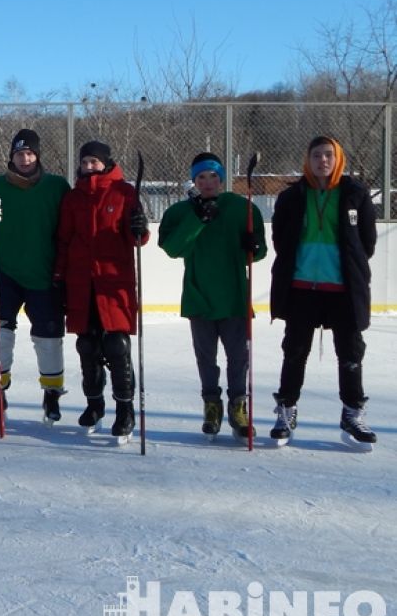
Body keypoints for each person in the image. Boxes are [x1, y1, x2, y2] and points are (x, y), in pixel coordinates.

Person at [269, 135, 378, 448]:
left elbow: (366, 242)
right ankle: (286, 409)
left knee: (350, 352)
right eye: (317, 155)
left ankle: (352, 413)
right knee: (295, 350)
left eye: (329, 155)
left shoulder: (355, 193)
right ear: (308, 159)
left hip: (342, 289)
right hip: (302, 287)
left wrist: (346, 267)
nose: (323, 161)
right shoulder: (292, 196)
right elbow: (281, 239)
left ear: (338, 158)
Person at [158, 152, 267, 441]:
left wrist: (252, 245)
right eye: (201, 177)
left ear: (222, 179)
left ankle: (238, 406)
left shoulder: (241, 208)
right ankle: (212, 405)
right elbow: (173, 248)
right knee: (206, 357)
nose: (208, 183)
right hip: (199, 296)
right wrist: (198, 219)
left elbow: (257, 253)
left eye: (214, 176)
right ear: (194, 180)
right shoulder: (181, 212)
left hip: (234, 297)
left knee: (238, 357)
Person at [0, 128, 70, 424]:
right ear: (11, 156)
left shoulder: (57, 186)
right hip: (5, 273)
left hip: (44, 273)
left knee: (49, 338)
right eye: (19, 153)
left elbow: (68, 228)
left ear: (37, 155)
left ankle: (52, 394)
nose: (24, 158)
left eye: (29, 153)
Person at [54, 141, 148, 441]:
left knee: (117, 347)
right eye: (85, 162)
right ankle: (94, 404)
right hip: (81, 282)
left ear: (106, 163)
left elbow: (138, 238)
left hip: (113, 281)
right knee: (88, 347)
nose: (89, 166)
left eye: (94, 161)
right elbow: (64, 239)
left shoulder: (124, 192)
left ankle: (125, 410)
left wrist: (140, 228)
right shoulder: (72, 198)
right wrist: (59, 274)